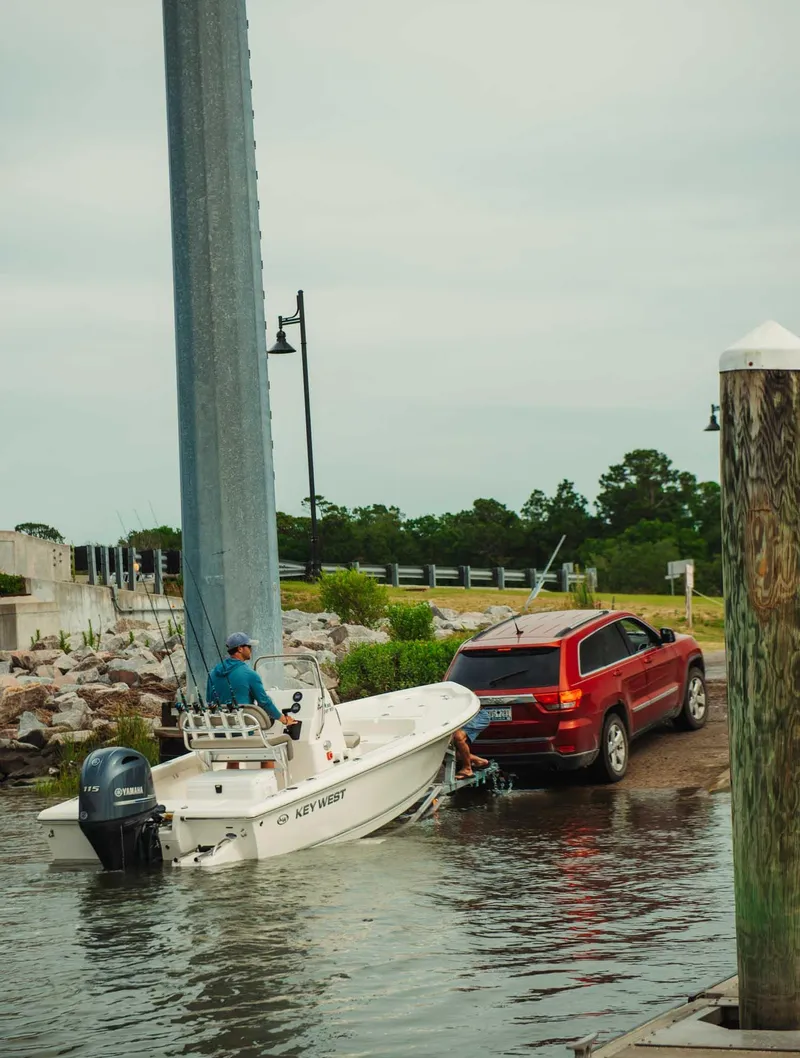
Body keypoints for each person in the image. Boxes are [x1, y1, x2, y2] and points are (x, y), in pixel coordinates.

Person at [206, 632, 297, 770]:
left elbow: (209, 700)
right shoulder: (249, 674)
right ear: (240, 649)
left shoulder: (212, 673)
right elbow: (264, 702)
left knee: (234, 755)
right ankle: (269, 789)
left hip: (219, 732)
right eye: (249, 646)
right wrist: (283, 719)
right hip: (241, 732)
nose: (251, 650)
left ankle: (233, 783)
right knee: (269, 751)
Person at [453, 707, 492, 780]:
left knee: (458, 737)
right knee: (446, 752)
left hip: (476, 716)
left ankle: (467, 769)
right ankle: (480, 761)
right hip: (460, 718)